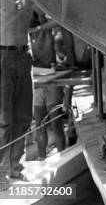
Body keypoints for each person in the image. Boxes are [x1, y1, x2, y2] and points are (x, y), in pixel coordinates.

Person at [0, 0, 34, 187]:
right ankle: (1, 172)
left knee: (23, 116)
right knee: (4, 117)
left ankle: (15, 167)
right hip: (2, 56)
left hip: (25, 56)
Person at [29, 12, 66, 160]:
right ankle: (43, 158)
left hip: (48, 79)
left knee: (51, 123)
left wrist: (37, 28)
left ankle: (61, 156)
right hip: (41, 81)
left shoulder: (42, 31)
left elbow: (57, 21)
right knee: (43, 124)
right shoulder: (31, 33)